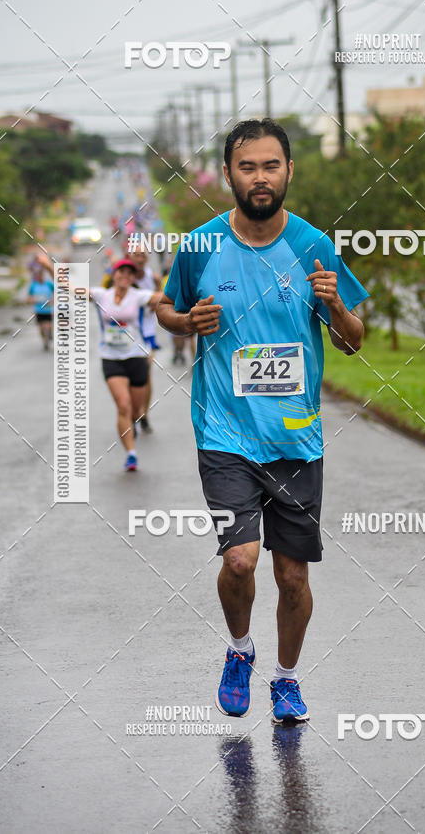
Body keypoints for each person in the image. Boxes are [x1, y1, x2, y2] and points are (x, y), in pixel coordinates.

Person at [156, 118, 368, 723]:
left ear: (289, 171)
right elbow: (168, 308)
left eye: (270, 165)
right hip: (223, 431)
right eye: (246, 167)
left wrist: (332, 305)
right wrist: (184, 323)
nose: (259, 178)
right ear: (227, 174)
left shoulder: (313, 246)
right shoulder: (199, 246)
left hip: (296, 439)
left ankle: (286, 678)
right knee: (240, 560)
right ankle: (241, 650)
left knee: (293, 576)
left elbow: (354, 342)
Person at [37, 254, 163, 471]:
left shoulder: (139, 295)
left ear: (133, 277)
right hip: (111, 358)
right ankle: (131, 454)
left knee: (135, 411)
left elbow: (165, 297)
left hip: (137, 356)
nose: (124, 275)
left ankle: (134, 422)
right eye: (121, 271)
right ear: (114, 275)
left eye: (129, 273)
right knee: (123, 405)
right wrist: (50, 267)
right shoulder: (100, 295)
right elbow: (68, 287)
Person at [126, 243, 162, 432]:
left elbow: (164, 300)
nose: (140, 259)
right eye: (136, 255)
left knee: (145, 376)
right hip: (127, 332)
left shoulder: (153, 278)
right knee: (129, 378)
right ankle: (131, 413)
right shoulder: (123, 276)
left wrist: (152, 305)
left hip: (147, 332)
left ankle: (144, 415)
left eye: (143, 256)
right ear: (130, 257)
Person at [27, 263, 54, 350]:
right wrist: (33, 300)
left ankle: (49, 334)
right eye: (37, 276)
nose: (39, 277)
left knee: (49, 325)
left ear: (43, 275)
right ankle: (45, 342)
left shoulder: (49, 284)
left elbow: (55, 293)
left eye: (41, 275)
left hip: (49, 309)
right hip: (39, 310)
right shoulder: (33, 286)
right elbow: (28, 298)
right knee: (41, 327)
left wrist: (52, 300)